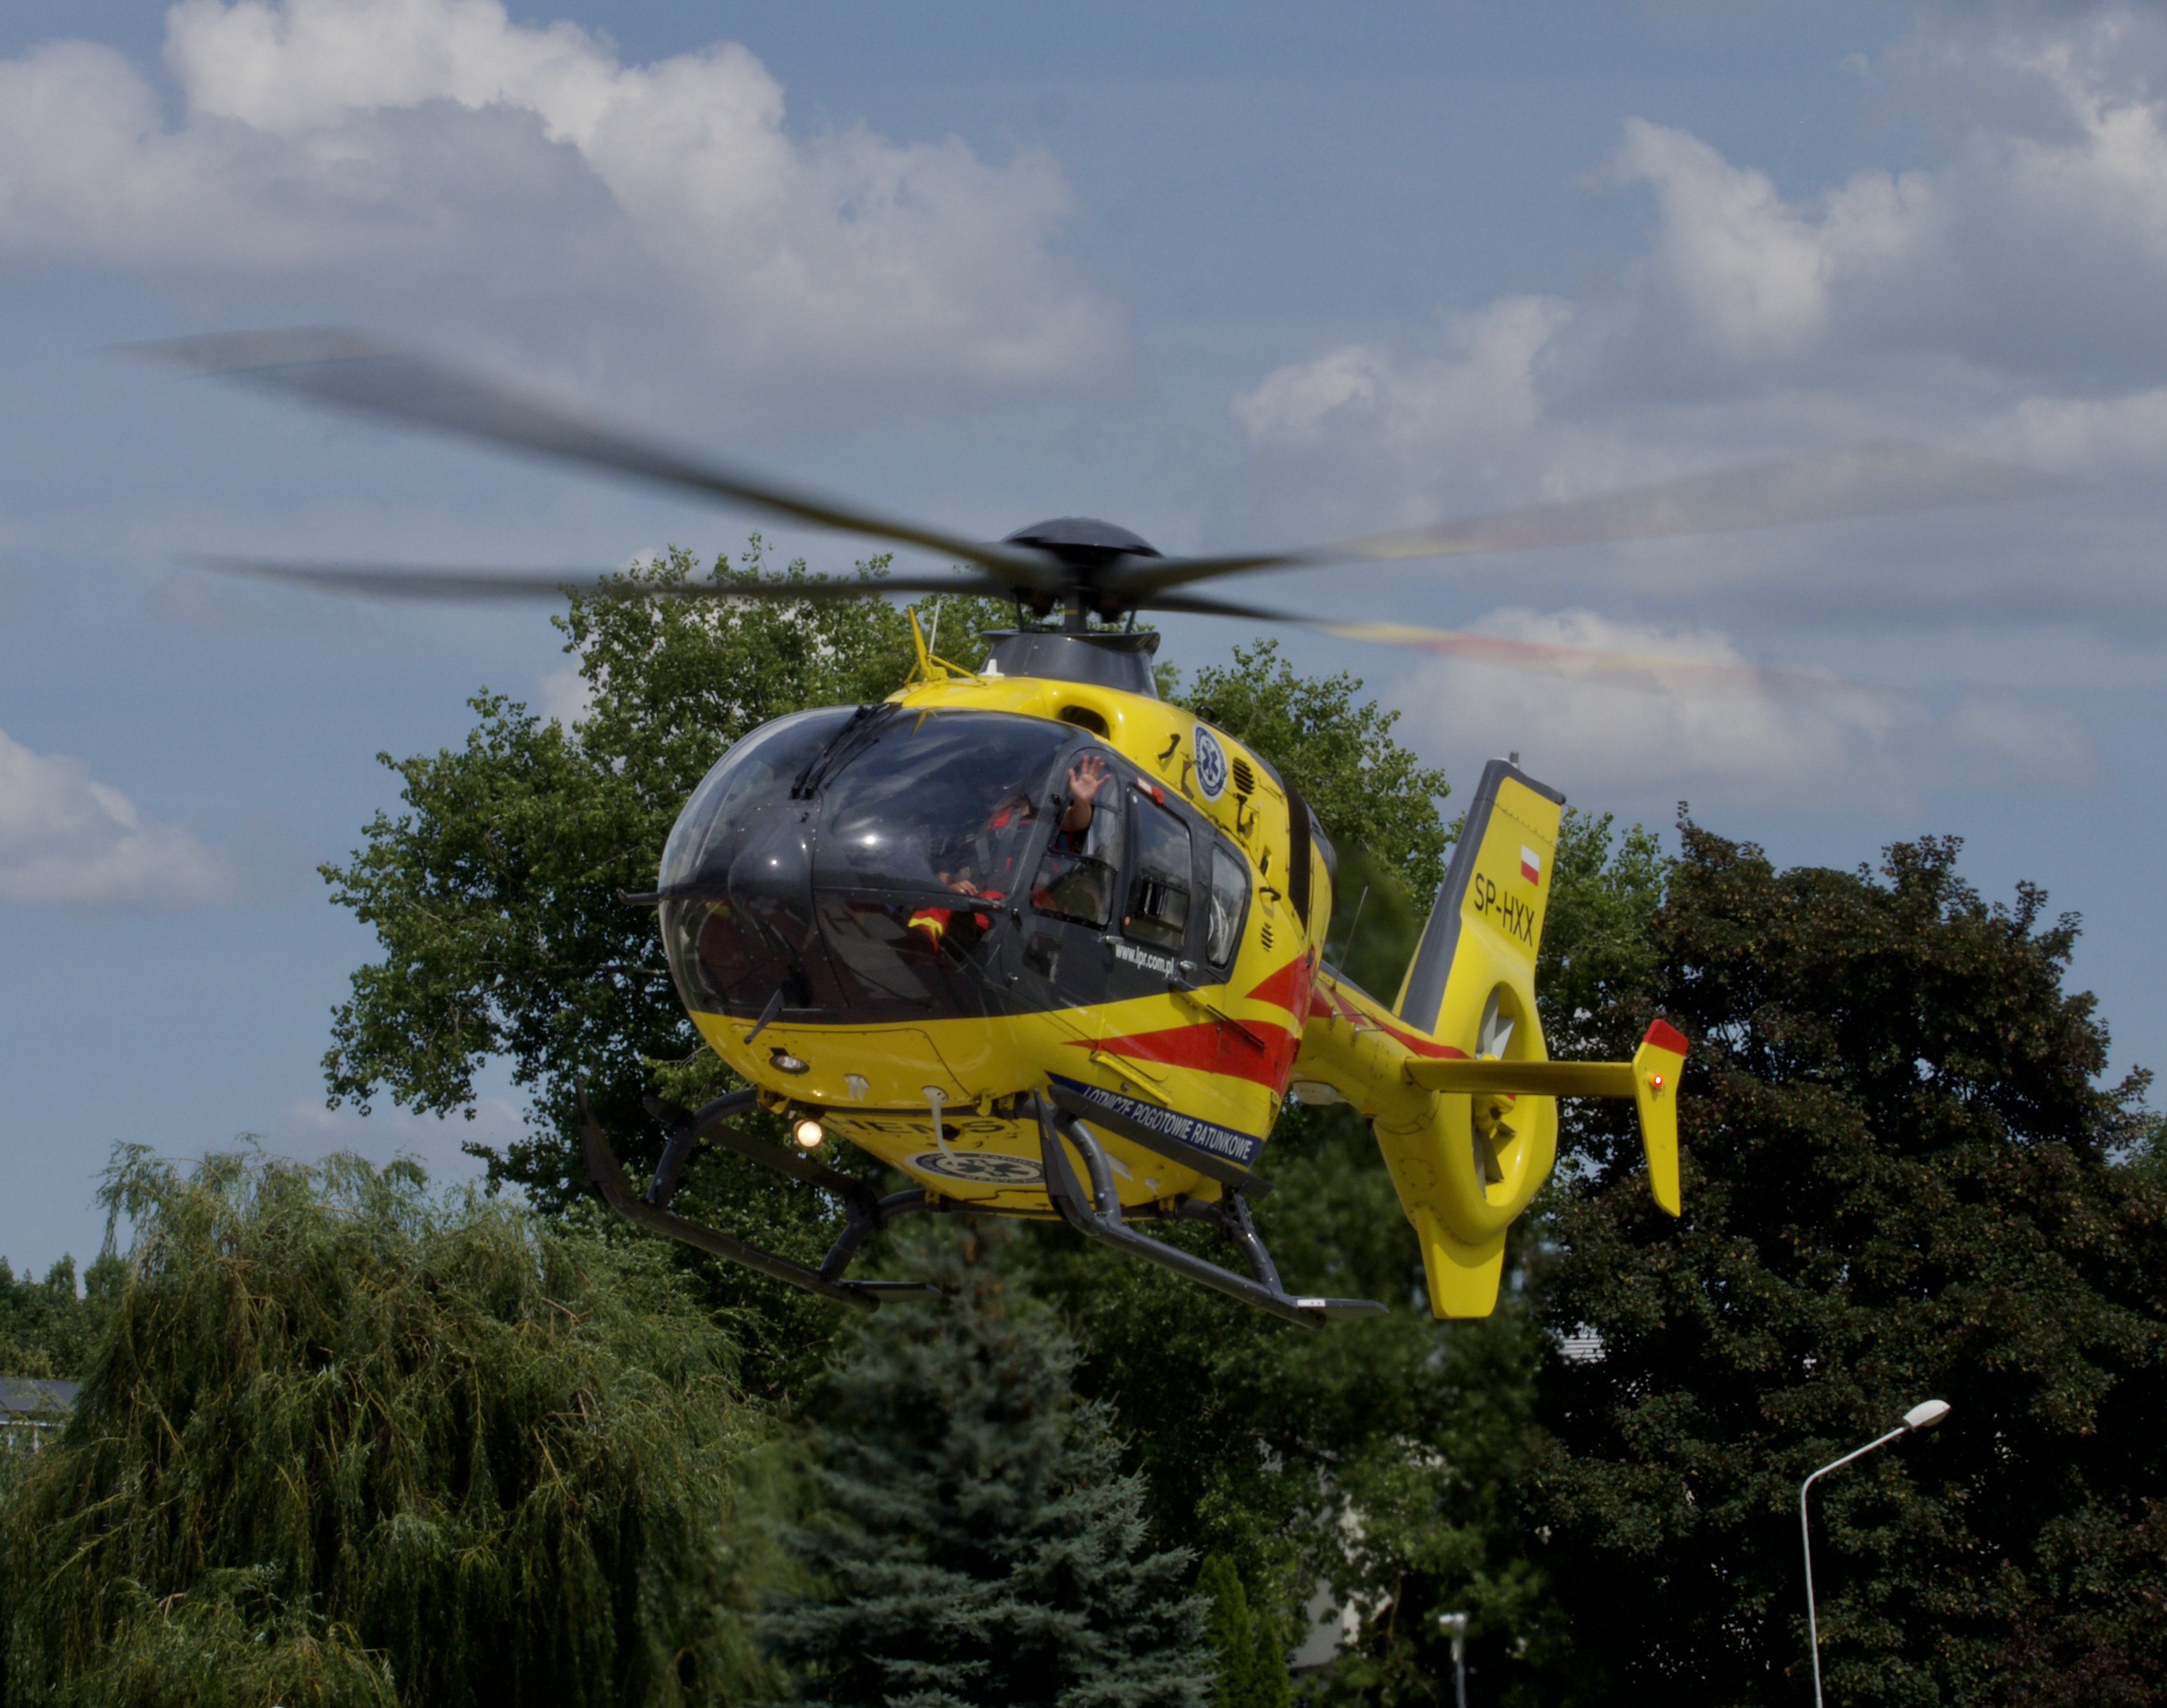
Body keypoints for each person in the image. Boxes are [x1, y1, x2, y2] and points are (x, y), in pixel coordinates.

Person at [913, 753, 1114, 946]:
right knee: (937, 907)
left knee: (973, 913)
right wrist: (951, 891)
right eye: (984, 780)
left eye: (999, 779)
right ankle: (918, 942)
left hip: (1028, 909)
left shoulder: (1034, 815)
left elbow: (1075, 822)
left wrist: (1082, 802)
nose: (992, 786)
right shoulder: (970, 828)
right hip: (985, 905)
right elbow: (942, 882)